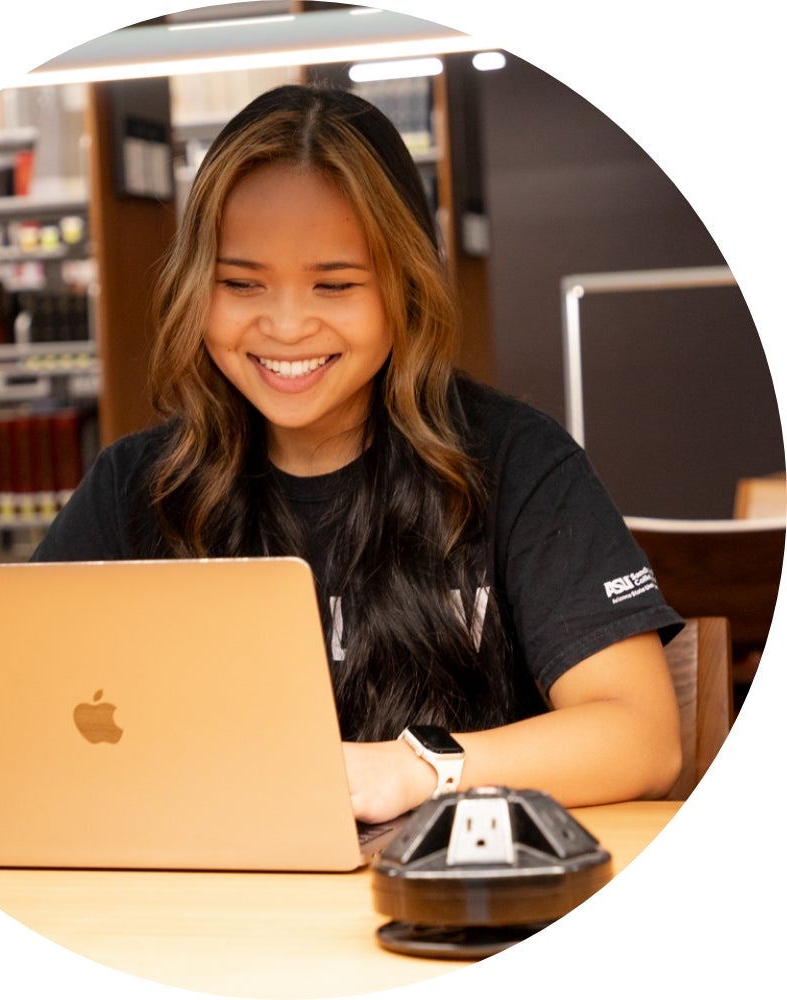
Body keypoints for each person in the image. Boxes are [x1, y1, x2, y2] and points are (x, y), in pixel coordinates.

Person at [33, 83, 684, 823]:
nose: (284, 326)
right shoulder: (134, 486)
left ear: (405, 287)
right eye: (242, 283)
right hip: (205, 900)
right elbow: (12, 711)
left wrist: (413, 770)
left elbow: (644, 737)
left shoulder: (518, 464)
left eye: (334, 285)